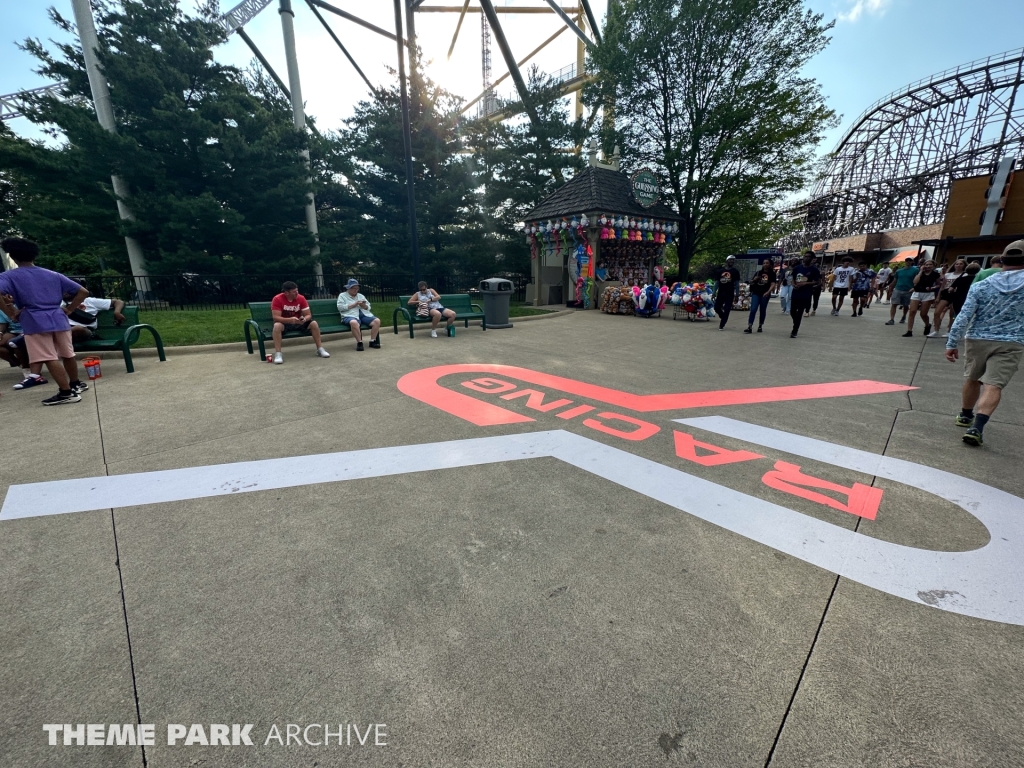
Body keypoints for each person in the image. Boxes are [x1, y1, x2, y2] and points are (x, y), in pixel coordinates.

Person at [945, 240, 1024, 446]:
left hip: (977, 338)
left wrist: (952, 342)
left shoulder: (981, 285)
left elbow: (963, 316)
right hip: (1012, 340)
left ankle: (965, 415)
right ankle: (977, 427)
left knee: (973, 378)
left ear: (1002, 260)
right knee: (993, 384)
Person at [0, 237, 89, 405]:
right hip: (58, 316)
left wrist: (11, 312)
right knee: (67, 353)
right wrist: (70, 309)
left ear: (12, 256)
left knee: (48, 356)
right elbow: (83, 292)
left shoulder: (9, 276)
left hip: (34, 319)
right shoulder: (52, 274)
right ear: (34, 255)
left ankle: (66, 392)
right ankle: (76, 383)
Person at [269, 281, 330, 364]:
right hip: (284, 323)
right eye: (294, 291)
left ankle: (320, 349)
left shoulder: (301, 298)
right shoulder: (277, 299)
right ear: (287, 292)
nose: (296, 293)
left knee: (314, 323)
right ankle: (278, 353)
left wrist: (304, 319)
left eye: (297, 290)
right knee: (277, 326)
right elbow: (276, 317)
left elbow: (308, 314)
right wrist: (289, 320)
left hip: (298, 322)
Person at [337, 278, 381, 350]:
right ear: (348, 288)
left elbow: (368, 307)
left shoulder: (361, 296)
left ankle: (372, 341)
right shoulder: (342, 296)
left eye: (357, 288)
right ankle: (359, 343)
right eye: (353, 288)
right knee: (354, 322)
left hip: (364, 315)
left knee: (377, 321)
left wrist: (364, 306)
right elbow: (340, 307)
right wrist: (353, 305)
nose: (356, 290)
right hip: (350, 315)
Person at [903, 259, 941, 337]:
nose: (928, 266)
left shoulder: (935, 274)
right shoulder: (920, 273)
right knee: (912, 311)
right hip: (917, 292)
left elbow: (938, 285)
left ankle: (927, 325)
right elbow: (915, 282)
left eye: (930, 264)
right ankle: (909, 330)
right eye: (926, 264)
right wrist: (920, 271)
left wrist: (932, 288)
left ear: (933, 266)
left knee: (923, 313)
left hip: (928, 294)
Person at [929, 260, 966, 337]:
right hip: (946, 294)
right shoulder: (948, 274)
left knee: (952, 314)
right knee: (937, 312)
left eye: (961, 264)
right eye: (957, 264)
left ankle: (950, 330)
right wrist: (938, 296)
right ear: (954, 265)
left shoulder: (965, 275)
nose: (958, 265)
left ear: (964, 265)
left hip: (957, 294)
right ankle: (936, 330)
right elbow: (942, 286)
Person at [789, 252, 821, 338]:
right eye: (805, 256)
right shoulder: (797, 268)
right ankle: (796, 322)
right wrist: (793, 284)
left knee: (799, 312)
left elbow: (817, 281)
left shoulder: (814, 270)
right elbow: (793, 278)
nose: (806, 258)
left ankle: (795, 330)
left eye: (808, 257)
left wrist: (806, 283)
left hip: (805, 293)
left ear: (812, 259)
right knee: (792, 311)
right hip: (796, 292)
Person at [743, 260, 775, 334]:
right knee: (753, 309)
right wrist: (754, 279)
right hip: (756, 293)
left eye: (767, 263)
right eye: (764, 263)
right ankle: (750, 326)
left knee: (762, 310)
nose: (765, 264)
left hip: (765, 294)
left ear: (770, 264)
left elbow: (773, 284)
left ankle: (760, 325)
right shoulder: (758, 272)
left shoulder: (772, 274)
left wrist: (768, 292)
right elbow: (751, 282)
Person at [885, 257, 918, 326]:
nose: (908, 262)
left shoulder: (915, 270)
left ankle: (904, 316)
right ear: (905, 262)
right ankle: (892, 319)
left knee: (905, 305)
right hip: (898, 289)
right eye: (907, 260)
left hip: (908, 290)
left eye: (910, 261)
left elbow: (917, 280)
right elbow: (895, 280)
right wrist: (890, 288)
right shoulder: (899, 271)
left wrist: (915, 288)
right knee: (894, 304)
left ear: (912, 262)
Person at [712, 255, 740, 330]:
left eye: (733, 260)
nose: (732, 261)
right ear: (726, 261)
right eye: (730, 260)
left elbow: (737, 284)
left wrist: (737, 294)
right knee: (716, 307)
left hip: (729, 293)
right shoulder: (720, 271)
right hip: (721, 292)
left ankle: (722, 324)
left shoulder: (735, 272)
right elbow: (717, 282)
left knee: (727, 309)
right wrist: (714, 292)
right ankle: (723, 316)